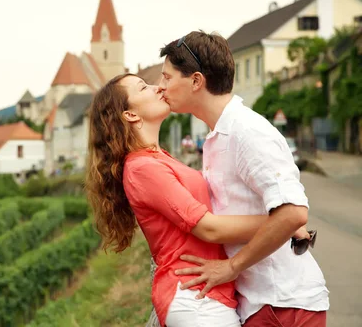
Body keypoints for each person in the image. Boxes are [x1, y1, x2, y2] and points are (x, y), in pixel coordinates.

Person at [85, 73, 308, 326]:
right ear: (130, 115)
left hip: (207, 296)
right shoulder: (142, 168)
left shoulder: (158, 158)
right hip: (195, 300)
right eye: (143, 87)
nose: (158, 87)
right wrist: (282, 222)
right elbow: (208, 227)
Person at [159, 31, 329, 326]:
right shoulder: (218, 135)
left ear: (196, 81)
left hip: (284, 304)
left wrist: (231, 267)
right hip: (260, 303)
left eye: (167, 77)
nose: (160, 87)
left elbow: (293, 213)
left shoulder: (246, 131)